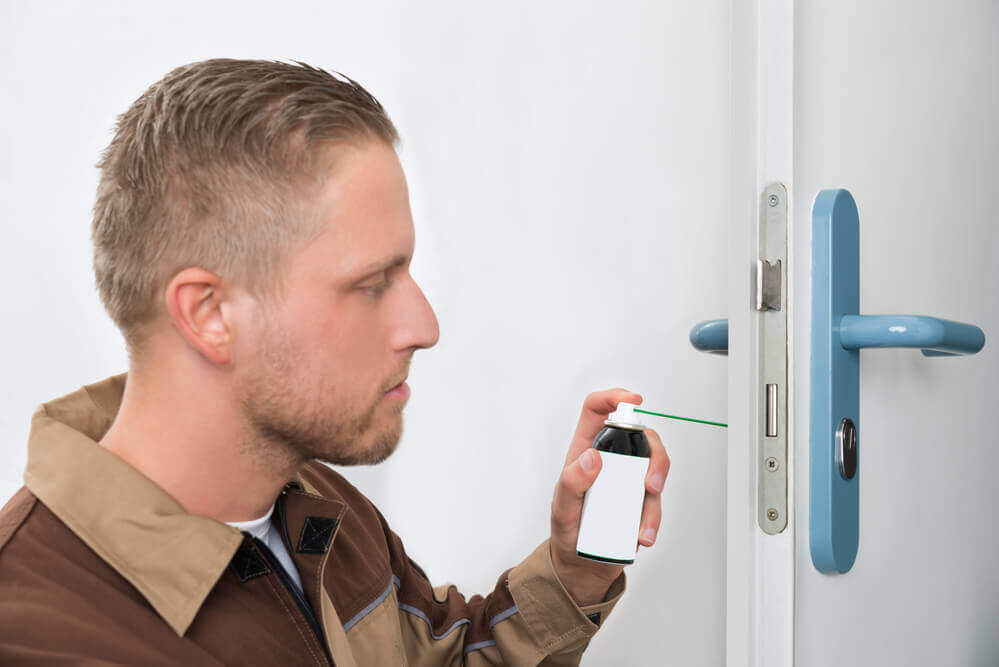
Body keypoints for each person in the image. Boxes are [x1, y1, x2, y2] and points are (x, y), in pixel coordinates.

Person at [0, 59, 670, 665]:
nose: (424, 327)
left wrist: (572, 570)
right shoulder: (37, 632)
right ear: (209, 313)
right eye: (371, 284)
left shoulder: (319, 506)